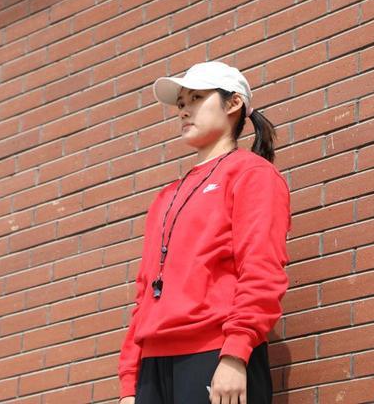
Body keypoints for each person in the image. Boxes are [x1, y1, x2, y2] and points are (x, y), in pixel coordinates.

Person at [117, 61, 292, 404]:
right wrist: (129, 383)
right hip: (153, 369)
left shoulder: (252, 175)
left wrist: (236, 353)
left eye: (197, 98)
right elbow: (145, 293)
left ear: (233, 103)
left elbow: (261, 269)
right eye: (181, 103)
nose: (184, 110)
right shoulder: (166, 197)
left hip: (215, 354)